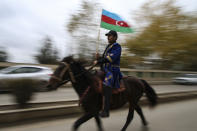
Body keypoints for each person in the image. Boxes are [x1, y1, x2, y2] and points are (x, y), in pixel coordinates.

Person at [94, 30, 122, 117]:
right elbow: (103, 59)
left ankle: (106, 111)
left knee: (106, 85)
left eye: (110, 36)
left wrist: (100, 60)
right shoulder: (108, 46)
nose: (108, 37)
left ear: (115, 37)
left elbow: (110, 58)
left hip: (113, 70)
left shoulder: (117, 47)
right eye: (108, 36)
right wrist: (98, 59)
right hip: (105, 69)